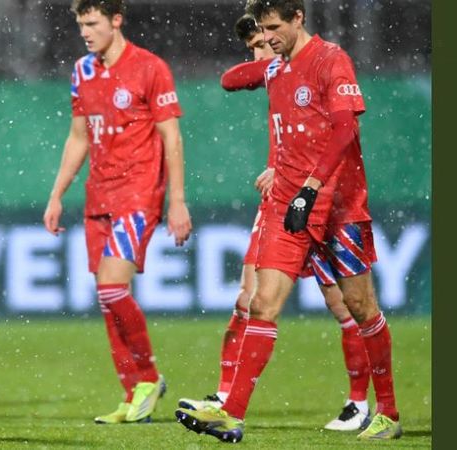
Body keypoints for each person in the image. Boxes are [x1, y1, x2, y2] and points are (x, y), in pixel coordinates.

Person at [175, 0, 401, 442]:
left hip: (337, 206)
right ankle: (232, 414)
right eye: (263, 30)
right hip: (286, 206)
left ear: (299, 17)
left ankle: (387, 411)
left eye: (275, 28)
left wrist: (312, 186)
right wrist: (264, 56)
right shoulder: (276, 66)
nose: (269, 36)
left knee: (360, 309)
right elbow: (229, 80)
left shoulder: (332, 61)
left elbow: (345, 131)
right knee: (262, 304)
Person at [43, 0, 192, 425]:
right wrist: (57, 194)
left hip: (139, 193)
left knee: (111, 289)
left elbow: (171, 138)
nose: (85, 32)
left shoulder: (150, 68)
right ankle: (133, 396)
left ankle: (148, 377)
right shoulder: (82, 71)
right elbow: (78, 137)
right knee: (108, 300)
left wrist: (176, 200)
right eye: (80, 25)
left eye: (92, 24)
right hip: (99, 197)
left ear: (116, 21)